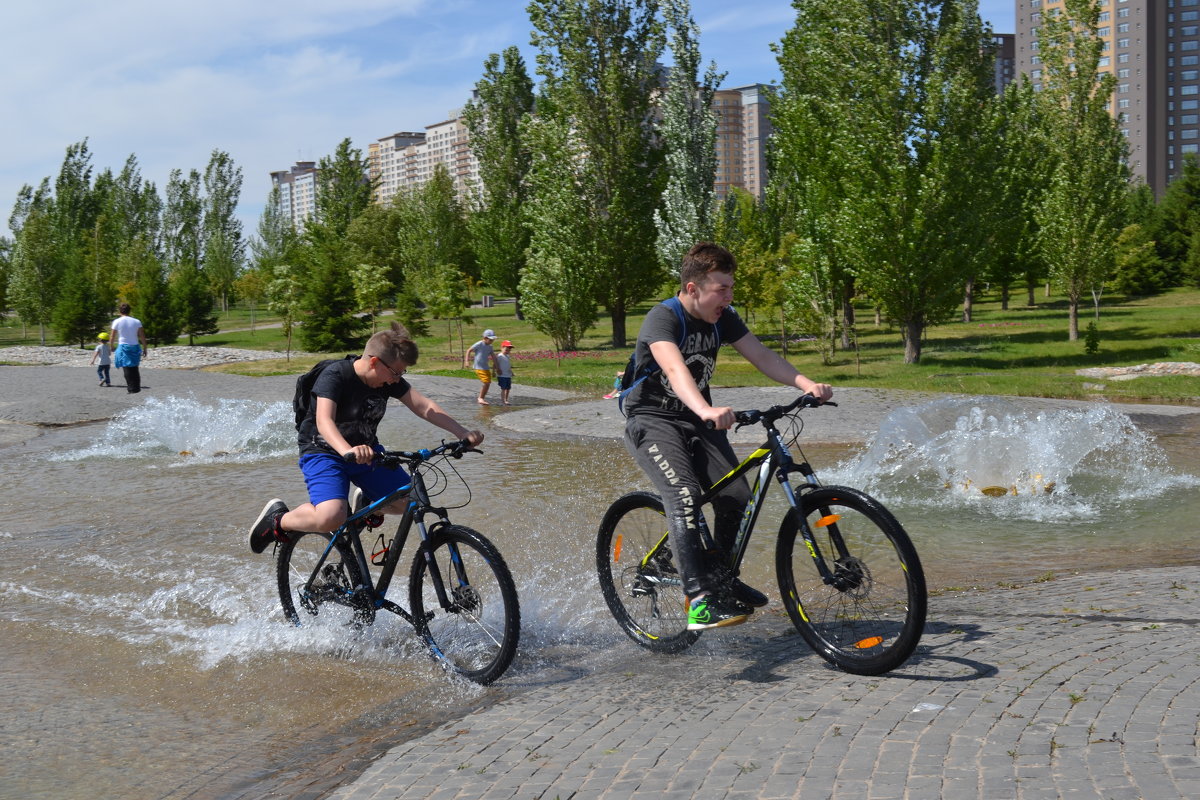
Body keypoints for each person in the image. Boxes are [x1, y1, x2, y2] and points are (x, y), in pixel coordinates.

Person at [622, 242, 833, 631]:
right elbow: (673, 368)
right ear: (692, 289)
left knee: (736, 495)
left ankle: (721, 579)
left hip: (697, 419)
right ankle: (700, 600)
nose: (729, 297)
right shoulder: (662, 319)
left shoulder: (723, 318)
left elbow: (763, 356)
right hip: (651, 419)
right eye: (722, 289)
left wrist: (807, 384)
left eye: (731, 288)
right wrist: (704, 409)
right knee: (684, 494)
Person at [249, 323, 484, 554]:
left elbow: (424, 406)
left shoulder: (387, 380)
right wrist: (346, 451)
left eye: (402, 373)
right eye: (395, 372)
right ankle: (278, 520)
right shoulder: (336, 376)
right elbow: (324, 421)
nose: (397, 379)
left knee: (411, 501)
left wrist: (461, 432)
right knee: (331, 517)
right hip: (323, 451)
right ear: (374, 361)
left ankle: (369, 506)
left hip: (367, 453)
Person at [110, 302, 147, 394]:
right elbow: (142, 336)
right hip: (135, 346)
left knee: (126, 368)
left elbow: (112, 337)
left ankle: (131, 389)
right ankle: (136, 387)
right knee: (134, 367)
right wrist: (145, 348)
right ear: (129, 311)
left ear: (120, 311)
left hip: (123, 346)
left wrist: (111, 346)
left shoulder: (117, 321)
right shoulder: (137, 321)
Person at [464, 329, 499, 405]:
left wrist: (496, 367)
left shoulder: (490, 346)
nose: (492, 341)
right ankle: (480, 398)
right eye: (490, 339)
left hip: (485, 367)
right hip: (479, 367)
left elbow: (493, 357)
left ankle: (482, 397)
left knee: (488, 383)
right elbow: (468, 350)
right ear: (485, 338)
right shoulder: (479, 344)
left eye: (493, 340)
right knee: (486, 383)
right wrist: (466, 361)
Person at [496, 340, 515, 405]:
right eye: (506, 349)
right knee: (503, 388)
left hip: (508, 375)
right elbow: (495, 364)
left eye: (509, 350)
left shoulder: (508, 356)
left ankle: (506, 399)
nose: (508, 351)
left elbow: (508, 366)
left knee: (508, 388)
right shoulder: (499, 356)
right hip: (502, 375)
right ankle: (503, 400)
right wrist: (496, 370)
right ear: (502, 347)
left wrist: (511, 372)